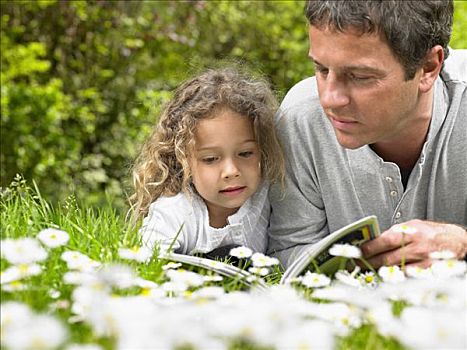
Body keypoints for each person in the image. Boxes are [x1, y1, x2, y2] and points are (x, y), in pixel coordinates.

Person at [268, 0, 467, 269]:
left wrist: (461, 243)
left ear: (429, 67)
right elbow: (288, 250)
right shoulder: (300, 119)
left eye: (360, 76)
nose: (330, 99)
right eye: (322, 69)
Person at [131, 67, 285, 257]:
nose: (231, 171)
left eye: (245, 153)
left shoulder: (269, 197)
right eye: (211, 159)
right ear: (183, 160)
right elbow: (147, 264)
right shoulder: (175, 213)